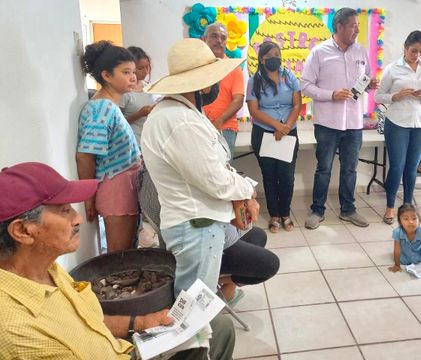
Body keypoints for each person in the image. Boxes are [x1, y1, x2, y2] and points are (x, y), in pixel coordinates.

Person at [0, 162, 235, 359]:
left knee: (218, 328)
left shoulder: (47, 269)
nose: (77, 218)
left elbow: (88, 320)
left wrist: (142, 322)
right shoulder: (15, 329)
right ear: (23, 231)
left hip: (120, 350)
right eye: (63, 211)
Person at [141, 38, 259, 294]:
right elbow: (215, 180)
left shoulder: (183, 112)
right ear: (202, 83)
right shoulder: (180, 121)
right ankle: (197, 334)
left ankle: (206, 326)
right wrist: (247, 188)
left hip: (199, 222)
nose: (217, 84)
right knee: (193, 306)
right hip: (196, 225)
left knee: (197, 301)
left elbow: (213, 164)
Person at [301, 8, 378, 230]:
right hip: (327, 123)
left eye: (358, 26)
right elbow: (305, 85)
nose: (357, 29)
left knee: (350, 169)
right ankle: (317, 210)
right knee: (323, 168)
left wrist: (369, 84)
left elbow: (365, 79)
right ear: (339, 27)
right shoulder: (319, 52)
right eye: (353, 25)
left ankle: (348, 210)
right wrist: (331, 95)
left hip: (354, 123)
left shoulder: (361, 52)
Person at [76, 41, 142, 252]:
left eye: (133, 71)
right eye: (126, 72)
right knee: (119, 255)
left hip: (125, 183)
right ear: (107, 75)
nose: (133, 77)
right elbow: (85, 155)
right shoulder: (101, 108)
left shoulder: (110, 105)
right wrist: (88, 196)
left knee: (127, 250)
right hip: (117, 186)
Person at [375, 30, 421, 224]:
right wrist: (396, 96)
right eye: (413, 51)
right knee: (397, 167)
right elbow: (378, 96)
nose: (416, 55)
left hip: (420, 123)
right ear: (405, 48)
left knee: (411, 168)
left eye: (420, 51)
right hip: (398, 122)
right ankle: (390, 207)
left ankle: (408, 207)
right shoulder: (392, 68)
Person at [247, 41, 301, 233]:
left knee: (287, 177)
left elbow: (297, 105)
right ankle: (274, 215)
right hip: (264, 133)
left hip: (288, 133)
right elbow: (253, 110)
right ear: (262, 59)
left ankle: (285, 213)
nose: (274, 59)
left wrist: (285, 127)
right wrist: (277, 125)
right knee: (269, 177)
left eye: (277, 55)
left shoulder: (289, 76)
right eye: (270, 56)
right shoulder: (255, 80)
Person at [202, 23, 245, 156]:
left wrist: (219, 121)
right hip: (200, 127)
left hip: (225, 128)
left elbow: (238, 100)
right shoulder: (197, 67)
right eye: (214, 36)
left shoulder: (234, 68)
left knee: (223, 171)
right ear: (204, 39)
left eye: (223, 38)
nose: (219, 41)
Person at [219, 225, 280, 306]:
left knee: (258, 235)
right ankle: (220, 288)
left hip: (223, 231)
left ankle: (226, 284)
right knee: (270, 265)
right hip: (213, 243)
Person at [120, 46, 157, 145]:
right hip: (132, 143)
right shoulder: (125, 92)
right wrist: (139, 114)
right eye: (140, 68)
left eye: (147, 67)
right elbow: (117, 124)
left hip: (148, 142)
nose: (145, 71)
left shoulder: (147, 86)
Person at [387, 204, 421, 274]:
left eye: (414, 218)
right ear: (400, 222)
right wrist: (397, 265)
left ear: (419, 220)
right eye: (406, 219)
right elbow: (397, 250)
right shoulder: (397, 232)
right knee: (404, 261)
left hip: (420, 251)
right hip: (405, 252)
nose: (410, 222)